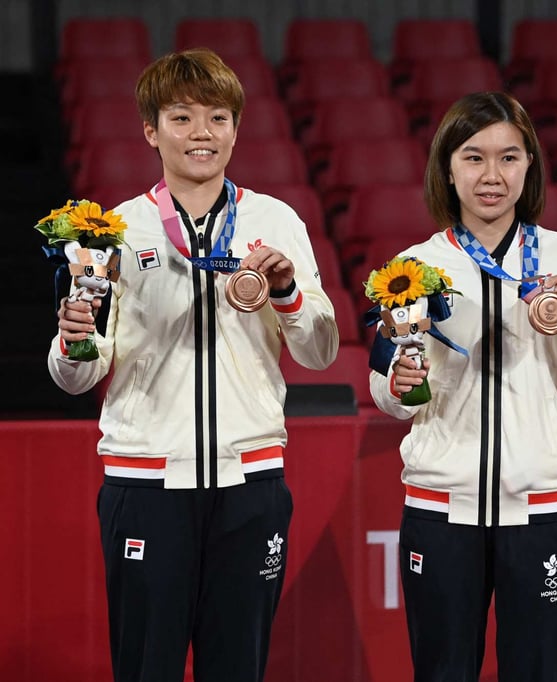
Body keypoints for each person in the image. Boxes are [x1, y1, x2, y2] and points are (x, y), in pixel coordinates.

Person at [47, 48, 339, 682]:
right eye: (181, 117)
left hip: (250, 485)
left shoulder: (275, 221)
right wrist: (73, 340)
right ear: (151, 130)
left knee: (238, 667)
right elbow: (78, 375)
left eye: (217, 117)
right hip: (147, 484)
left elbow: (319, 351)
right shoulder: (115, 230)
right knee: (146, 667)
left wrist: (288, 294)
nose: (201, 133)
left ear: (236, 127)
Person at [368, 91, 557, 681]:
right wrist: (403, 384)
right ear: (448, 170)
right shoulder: (412, 266)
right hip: (441, 507)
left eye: (509, 157)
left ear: (529, 165)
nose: (492, 175)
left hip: (543, 507)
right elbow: (384, 391)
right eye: (473, 157)